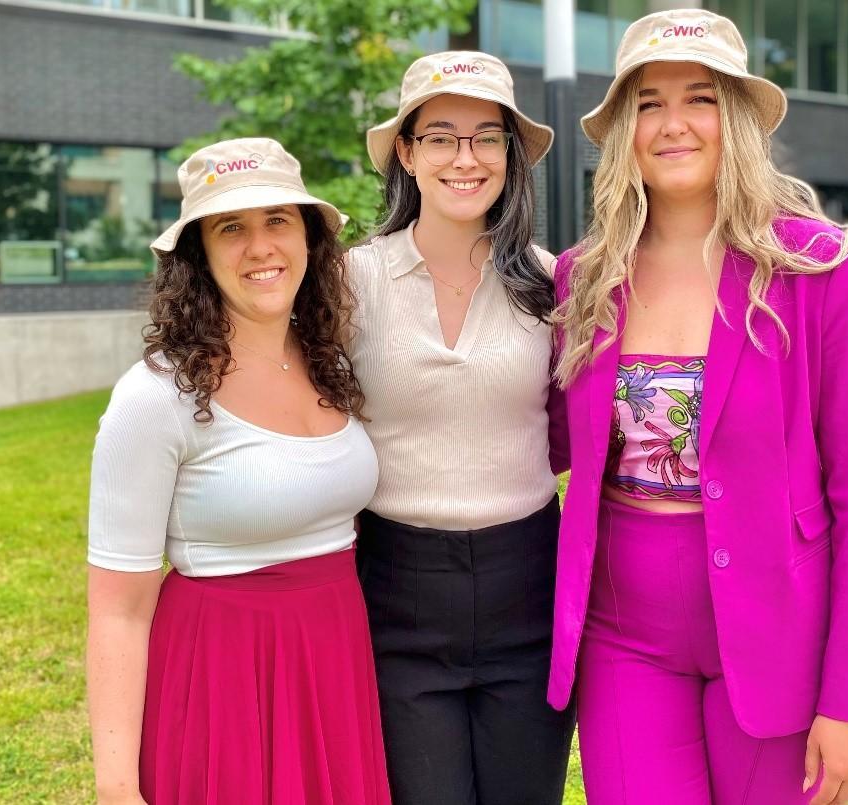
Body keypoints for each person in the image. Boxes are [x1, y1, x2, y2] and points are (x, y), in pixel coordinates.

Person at [546, 10, 848, 805]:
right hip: (623, 633)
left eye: (698, 97)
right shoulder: (582, 277)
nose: (672, 124)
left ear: (733, 117)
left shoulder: (818, 268)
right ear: (624, 131)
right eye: (646, 103)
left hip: (779, 632)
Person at [85, 137, 390, 805]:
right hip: (224, 678)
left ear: (308, 240)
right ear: (197, 255)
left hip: (334, 664)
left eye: (277, 220)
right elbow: (118, 611)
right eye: (232, 227)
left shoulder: (329, 365)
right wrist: (115, 789)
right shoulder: (155, 398)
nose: (260, 247)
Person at [346, 51, 575, 805]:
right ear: (407, 154)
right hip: (396, 591)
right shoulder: (348, 281)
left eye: (487, 137)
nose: (464, 158)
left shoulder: (553, 285)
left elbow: (575, 426)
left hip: (528, 588)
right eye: (440, 136)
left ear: (510, 156)